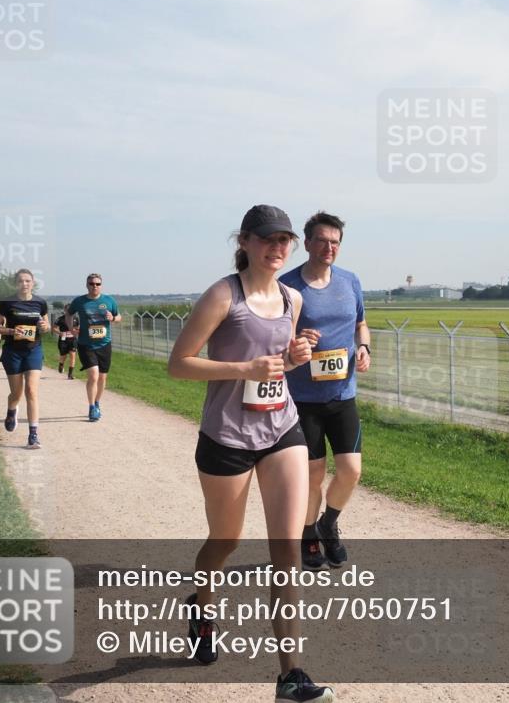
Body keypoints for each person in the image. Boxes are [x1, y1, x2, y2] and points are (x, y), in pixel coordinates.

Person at [168, 204, 333, 703]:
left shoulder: (291, 299)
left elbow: (277, 363)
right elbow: (179, 365)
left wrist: (294, 357)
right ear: (244, 241)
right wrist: (245, 369)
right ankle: (202, 604)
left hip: (282, 429)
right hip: (227, 438)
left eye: (285, 240)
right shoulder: (223, 295)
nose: (278, 248)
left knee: (286, 549)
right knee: (226, 540)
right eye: (268, 239)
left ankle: (291, 675)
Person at [279, 212, 369, 571]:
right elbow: (272, 337)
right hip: (303, 399)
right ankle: (308, 536)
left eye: (336, 242)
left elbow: (362, 324)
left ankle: (328, 523)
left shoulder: (350, 281)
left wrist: (364, 348)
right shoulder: (287, 286)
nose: (330, 247)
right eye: (322, 240)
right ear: (308, 242)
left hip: (343, 396)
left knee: (351, 470)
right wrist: (296, 342)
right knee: (313, 475)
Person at [0, 269, 49, 450]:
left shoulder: (40, 303)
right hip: (13, 352)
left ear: (33, 283)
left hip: (33, 350)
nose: (25, 284)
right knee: (16, 394)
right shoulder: (8, 303)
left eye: (28, 281)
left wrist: (45, 326)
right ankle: (11, 410)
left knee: (31, 391)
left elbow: (47, 327)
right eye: (21, 281)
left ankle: (33, 435)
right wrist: (10, 331)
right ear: (16, 284)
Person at [66, 274, 121, 421]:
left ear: (101, 285)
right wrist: (71, 329)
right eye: (91, 283)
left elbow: (119, 317)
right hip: (86, 344)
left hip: (104, 344)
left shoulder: (109, 301)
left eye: (97, 284)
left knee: (102, 378)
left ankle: (97, 402)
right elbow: (68, 314)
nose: (94, 286)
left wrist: (113, 318)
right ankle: (91, 408)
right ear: (87, 285)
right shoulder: (79, 301)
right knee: (93, 375)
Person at [52, 307, 78, 380]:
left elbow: (77, 328)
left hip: (73, 340)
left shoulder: (76, 318)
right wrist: (59, 333)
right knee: (63, 356)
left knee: (73, 356)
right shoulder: (60, 319)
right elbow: (54, 328)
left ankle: (70, 374)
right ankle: (61, 364)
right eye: (67, 310)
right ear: (65, 310)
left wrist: (76, 331)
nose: (69, 311)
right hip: (63, 340)